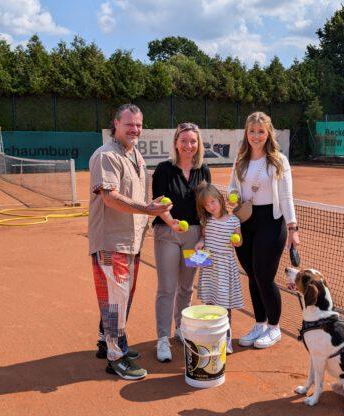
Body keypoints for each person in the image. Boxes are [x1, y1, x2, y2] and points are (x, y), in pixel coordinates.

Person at [88, 104, 172, 380]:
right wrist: (147, 209)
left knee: (121, 298)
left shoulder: (135, 154)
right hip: (111, 243)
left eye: (138, 124)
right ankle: (116, 358)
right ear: (116, 124)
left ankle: (107, 341)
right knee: (115, 300)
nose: (135, 129)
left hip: (132, 241)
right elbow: (109, 197)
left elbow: (136, 195)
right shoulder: (106, 156)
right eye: (129, 125)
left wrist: (151, 206)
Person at [228, 111, 299, 349]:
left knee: (264, 276)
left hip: (272, 221)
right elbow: (232, 188)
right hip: (246, 222)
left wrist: (293, 228)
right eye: (251, 131)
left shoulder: (278, 160)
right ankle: (259, 322)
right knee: (252, 274)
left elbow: (287, 196)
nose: (256, 136)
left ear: (268, 133)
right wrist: (234, 196)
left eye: (260, 131)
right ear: (246, 133)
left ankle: (274, 327)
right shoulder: (240, 160)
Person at [151, 122, 212, 363]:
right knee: (167, 288)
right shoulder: (163, 169)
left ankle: (181, 328)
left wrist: (204, 238)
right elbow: (156, 204)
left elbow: (208, 206)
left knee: (187, 287)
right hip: (167, 232)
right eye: (184, 140)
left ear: (199, 145)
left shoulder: (204, 170)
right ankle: (162, 338)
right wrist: (171, 221)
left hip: (196, 236)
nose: (189, 145)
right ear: (176, 142)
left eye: (193, 141)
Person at [194, 182, 244, 354]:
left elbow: (240, 241)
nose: (210, 207)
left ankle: (226, 340)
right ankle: (211, 338)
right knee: (210, 303)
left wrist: (237, 241)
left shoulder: (234, 220)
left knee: (224, 306)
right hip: (209, 267)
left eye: (212, 202)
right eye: (206, 205)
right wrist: (200, 244)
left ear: (221, 200)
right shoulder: (206, 221)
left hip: (225, 268)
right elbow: (203, 238)